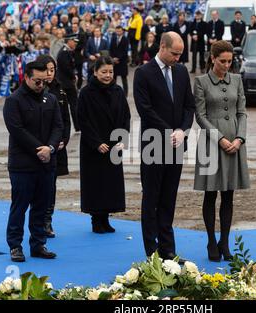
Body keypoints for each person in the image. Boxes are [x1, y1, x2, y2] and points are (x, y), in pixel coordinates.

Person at [133, 32, 195, 263]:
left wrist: (182, 130)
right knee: (151, 198)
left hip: (177, 144)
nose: (178, 58)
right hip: (153, 144)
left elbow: (189, 106)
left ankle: (168, 249)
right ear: (162, 46)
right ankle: (152, 251)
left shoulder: (180, 71)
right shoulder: (143, 73)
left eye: (180, 54)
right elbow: (145, 109)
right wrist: (169, 130)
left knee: (169, 198)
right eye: (174, 53)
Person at [193, 40, 250, 262]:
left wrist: (239, 138)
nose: (226, 65)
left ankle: (224, 242)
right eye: (222, 61)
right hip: (210, 144)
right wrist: (220, 139)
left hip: (235, 144)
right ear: (212, 59)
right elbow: (200, 115)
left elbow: (242, 112)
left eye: (230, 61)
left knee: (229, 195)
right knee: (210, 194)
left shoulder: (237, 80)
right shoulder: (200, 82)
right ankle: (210, 241)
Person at [3, 60, 64, 262]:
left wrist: (51, 148)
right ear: (26, 78)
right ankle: (15, 245)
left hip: (47, 163)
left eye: (43, 81)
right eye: (37, 81)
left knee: (41, 205)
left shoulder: (51, 99)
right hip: (23, 164)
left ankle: (38, 244)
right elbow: (17, 130)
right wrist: (39, 149)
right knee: (20, 206)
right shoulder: (14, 101)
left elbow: (58, 126)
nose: (41, 85)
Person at [77, 56, 131, 234]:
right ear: (95, 72)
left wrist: (123, 138)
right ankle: (96, 219)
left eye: (110, 72)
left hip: (113, 146)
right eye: (104, 72)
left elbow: (125, 116)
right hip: (94, 147)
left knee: (110, 184)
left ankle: (106, 218)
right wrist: (96, 143)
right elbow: (82, 120)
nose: (108, 75)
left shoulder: (118, 91)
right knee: (95, 184)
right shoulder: (86, 93)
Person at [35, 55, 71, 239]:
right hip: (37, 146)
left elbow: (65, 119)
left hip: (56, 147)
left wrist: (63, 139)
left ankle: (47, 221)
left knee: (51, 185)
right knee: (37, 186)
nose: (49, 74)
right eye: (46, 69)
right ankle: (37, 220)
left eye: (52, 70)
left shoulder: (60, 91)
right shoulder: (35, 88)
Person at [57, 34, 80, 132]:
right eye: (73, 41)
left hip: (67, 82)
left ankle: (77, 126)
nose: (75, 43)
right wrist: (74, 76)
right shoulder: (64, 52)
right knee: (71, 105)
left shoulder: (67, 52)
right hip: (66, 83)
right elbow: (66, 68)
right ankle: (75, 126)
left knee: (72, 105)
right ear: (69, 41)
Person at [110, 26, 130, 97]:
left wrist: (118, 58)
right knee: (113, 78)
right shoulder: (113, 38)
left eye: (119, 31)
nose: (118, 32)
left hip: (122, 62)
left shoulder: (125, 39)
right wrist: (113, 58)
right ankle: (113, 92)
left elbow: (125, 51)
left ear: (122, 31)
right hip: (114, 62)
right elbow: (111, 49)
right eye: (117, 31)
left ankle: (125, 94)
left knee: (124, 78)